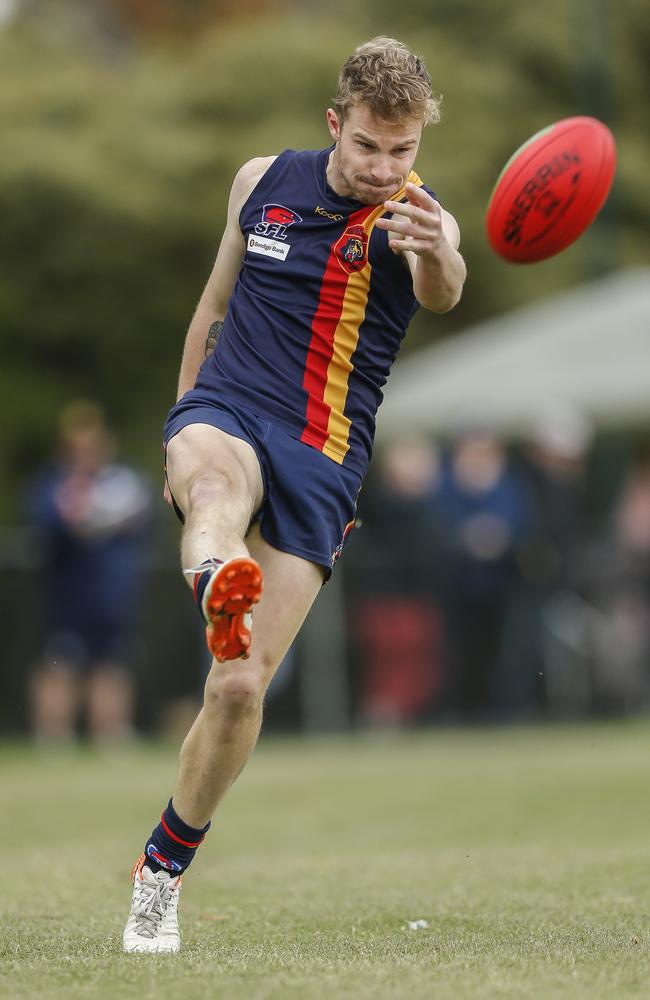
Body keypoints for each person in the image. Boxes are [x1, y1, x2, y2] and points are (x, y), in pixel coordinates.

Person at [122, 36, 466, 953]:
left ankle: (159, 874)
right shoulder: (260, 180)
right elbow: (210, 309)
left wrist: (436, 249)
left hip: (325, 455)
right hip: (228, 405)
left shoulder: (418, 220)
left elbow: (443, 292)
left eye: (402, 151)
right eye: (368, 147)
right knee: (210, 483)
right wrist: (177, 419)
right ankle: (215, 575)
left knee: (236, 688)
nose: (385, 168)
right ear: (334, 125)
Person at [27, 401, 151, 742]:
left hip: (114, 593)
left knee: (112, 664)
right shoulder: (52, 485)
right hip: (68, 593)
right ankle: (53, 734)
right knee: (60, 662)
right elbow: (46, 525)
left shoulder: (125, 483)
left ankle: (110, 733)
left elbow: (143, 522)